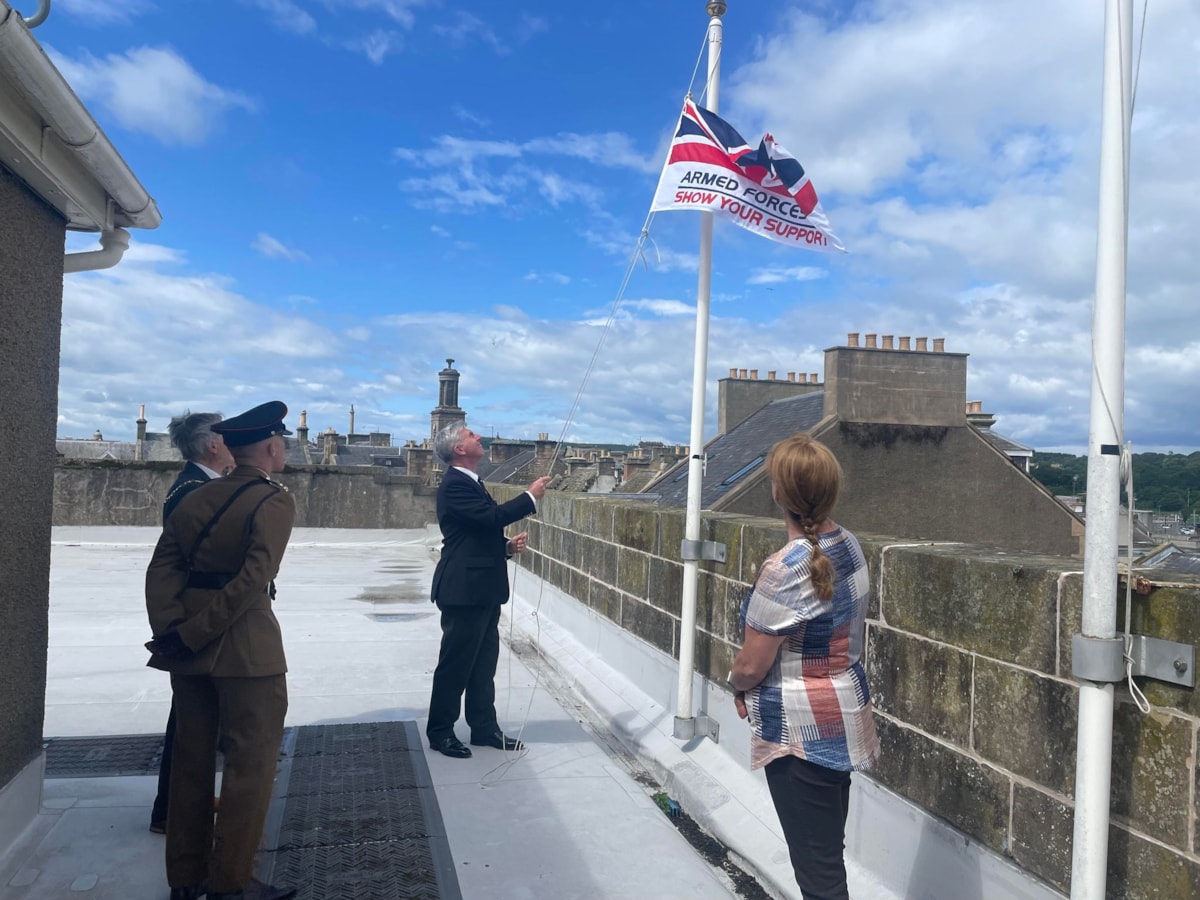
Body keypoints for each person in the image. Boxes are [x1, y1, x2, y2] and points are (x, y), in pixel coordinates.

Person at [145, 401, 298, 900]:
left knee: (190, 764)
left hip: (188, 650)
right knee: (249, 768)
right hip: (246, 652)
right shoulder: (272, 501)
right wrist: (197, 632)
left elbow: (163, 568)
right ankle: (231, 881)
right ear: (272, 448)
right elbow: (255, 579)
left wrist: (174, 629)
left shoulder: (193, 497)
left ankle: (186, 879)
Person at [729, 433, 879, 900]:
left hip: (801, 735)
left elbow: (753, 663)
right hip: (843, 719)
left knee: (819, 878)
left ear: (779, 491)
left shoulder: (786, 566)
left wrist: (735, 686)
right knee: (826, 856)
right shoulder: (847, 544)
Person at [426, 423, 549, 759]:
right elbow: (489, 517)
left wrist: (506, 547)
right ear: (460, 450)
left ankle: (483, 728)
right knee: (456, 664)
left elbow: (475, 534)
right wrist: (530, 497)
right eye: (470, 436)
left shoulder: (470, 482)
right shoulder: (454, 484)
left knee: (483, 663)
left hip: (481, 588)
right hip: (463, 589)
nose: (478, 437)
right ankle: (440, 732)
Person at [150, 411, 235, 834]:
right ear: (213, 444)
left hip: (202, 615)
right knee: (189, 719)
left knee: (197, 715)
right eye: (226, 432)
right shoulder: (194, 489)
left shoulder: (200, 484)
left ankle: (185, 802)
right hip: (198, 617)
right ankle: (170, 810)